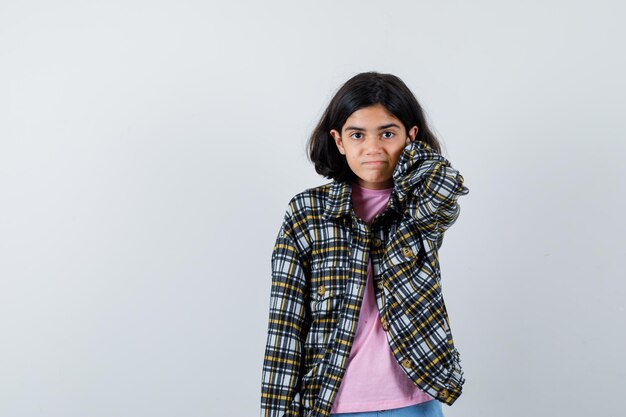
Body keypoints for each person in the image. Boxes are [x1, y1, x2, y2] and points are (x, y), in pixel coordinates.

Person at [260, 72, 470, 417]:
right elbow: (285, 324)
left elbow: (444, 188)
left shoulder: (420, 206)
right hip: (332, 401)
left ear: (410, 137)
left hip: (415, 399)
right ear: (339, 141)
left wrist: (413, 155)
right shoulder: (307, 213)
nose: (373, 148)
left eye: (388, 133)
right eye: (357, 134)